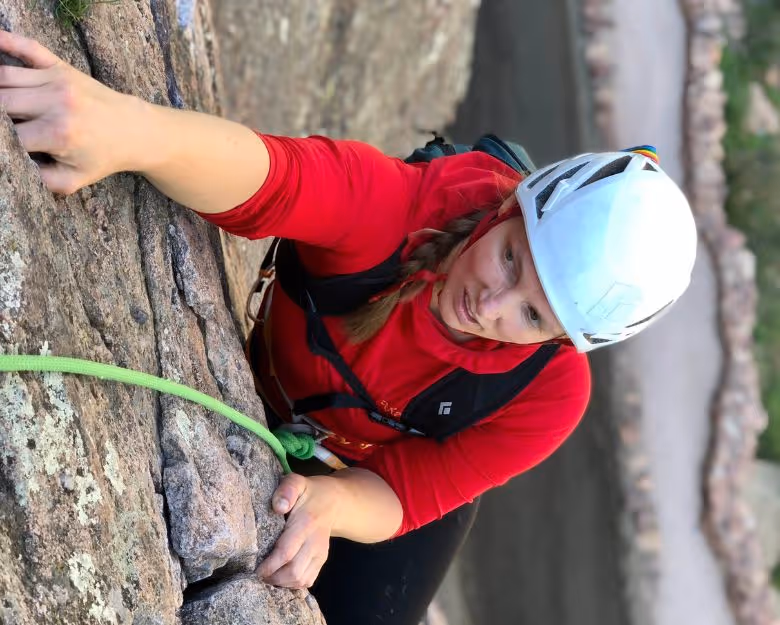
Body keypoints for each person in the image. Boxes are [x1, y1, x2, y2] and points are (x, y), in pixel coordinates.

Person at [0, 31, 697, 625]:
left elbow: (412, 489)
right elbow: (273, 178)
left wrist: (330, 504)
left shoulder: (547, 395)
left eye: (533, 315)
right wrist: (125, 130)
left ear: (557, 340)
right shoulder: (403, 210)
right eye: (511, 258)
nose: (493, 304)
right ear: (507, 209)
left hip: (380, 475)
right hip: (293, 401)